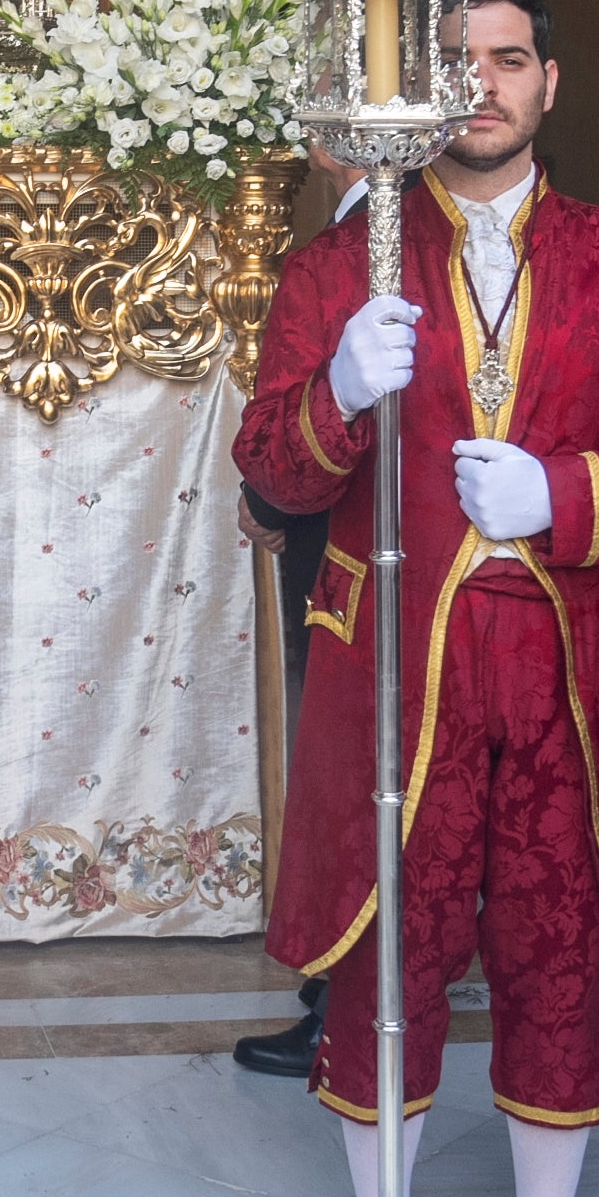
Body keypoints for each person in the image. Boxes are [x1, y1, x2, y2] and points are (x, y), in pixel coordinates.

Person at [234, 0, 599, 1197]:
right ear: (425, 92)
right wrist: (333, 391)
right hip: (392, 670)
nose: (488, 85)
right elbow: (271, 476)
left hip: (572, 663)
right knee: (378, 948)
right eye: (461, 64)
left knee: (556, 944)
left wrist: (564, 494)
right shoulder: (341, 268)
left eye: (512, 59)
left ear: (550, 83)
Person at [236, 141, 366, 1082]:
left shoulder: (364, 240)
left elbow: (314, 394)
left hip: (349, 550)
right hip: (351, 542)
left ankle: (340, 1015)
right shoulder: (359, 230)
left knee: (353, 786)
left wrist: (273, 500)